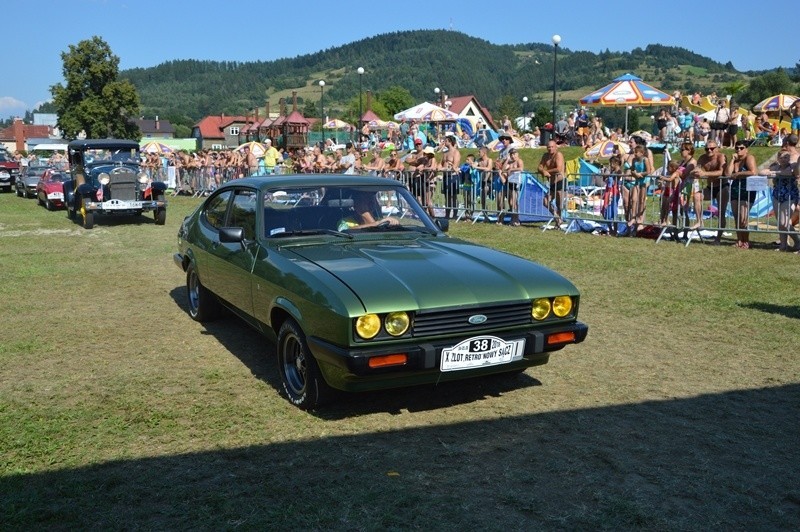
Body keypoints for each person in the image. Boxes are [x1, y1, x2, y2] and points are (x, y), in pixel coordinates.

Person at [761, 151, 800, 251]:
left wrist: (774, 173)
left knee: (784, 222)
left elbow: (789, 173)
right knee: (780, 223)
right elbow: (761, 172)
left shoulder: (793, 166)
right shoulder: (775, 166)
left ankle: (797, 241)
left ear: (789, 158)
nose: (783, 159)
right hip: (777, 195)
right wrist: (772, 172)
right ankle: (783, 246)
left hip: (790, 195)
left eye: (786, 157)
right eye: (781, 157)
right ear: (778, 158)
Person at [690, 140, 728, 243]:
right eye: (707, 149)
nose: (709, 151)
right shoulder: (703, 158)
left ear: (717, 148)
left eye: (712, 148)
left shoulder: (721, 157)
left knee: (721, 213)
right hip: (710, 187)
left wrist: (704, 174)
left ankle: (718, 238)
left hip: (722, 187)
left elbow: (721, 172)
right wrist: (694, 172)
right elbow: (697, 169)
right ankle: (699, 221)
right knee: (696, 196)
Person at [726, 142, 757, 249]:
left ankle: (746, 241)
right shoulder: (735, 160)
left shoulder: (749, 157)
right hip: (735, 189)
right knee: (736, 216)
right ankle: (739, 240)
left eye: (741, 148)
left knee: (743, 218)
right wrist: (732, 160)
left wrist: (738, 174)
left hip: (747, 189)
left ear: (746, 149)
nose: (738, 150)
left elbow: (752, 172)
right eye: (736, 148)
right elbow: (727, 174)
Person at [538, 140, 565, 227]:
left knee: (559, 203)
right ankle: (557, 218)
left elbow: (558, 168)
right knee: (545, 201)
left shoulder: (558, 155)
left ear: (555, 147)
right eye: (548, 147)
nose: (550, 149)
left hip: (560, 181)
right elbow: (539, 166)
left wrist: (546, 171)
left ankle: (558, 223)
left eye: (552, 147)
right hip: (552, 183)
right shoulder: (545, 155)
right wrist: (543, 171)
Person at [440, 135, 461, 219]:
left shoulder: (456, 152)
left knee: (454, 196)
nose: (444, 142)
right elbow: (440, 164)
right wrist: (439, 168)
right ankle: (447, 214)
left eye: (446, 141)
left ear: (450, 142)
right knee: (447, 196)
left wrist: (446, 168)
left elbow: (455, 166)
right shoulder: (445, 153)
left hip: (453, 177)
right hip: (446, 176)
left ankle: (455, 214)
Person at [502, 148, 524, 226]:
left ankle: (516, 219)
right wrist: (507, 160)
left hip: (516, 182)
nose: (513, 156)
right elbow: (503, 169)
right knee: (511, 202)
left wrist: (512, 169)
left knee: (514, 202)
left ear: (517, 154)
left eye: (514, 154)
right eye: (511, 154)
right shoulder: (510, 162)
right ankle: (513, 218)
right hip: (510, 182)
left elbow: (521, 168)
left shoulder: (519, 161)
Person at [658, 160, 683, 227]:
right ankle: (661, 220)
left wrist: (663, 178)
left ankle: (666, 220)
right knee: (663, 206)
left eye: (668, 167)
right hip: (667, 190)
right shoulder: (669, 173)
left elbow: (670, 179)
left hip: (672, 191)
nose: (667, 168)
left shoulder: (676, 173)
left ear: (673, 167)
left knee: (668, 207)